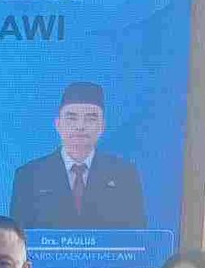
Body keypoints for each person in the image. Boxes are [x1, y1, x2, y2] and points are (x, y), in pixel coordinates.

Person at [9, 81, 145, 230]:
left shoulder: (124, 175)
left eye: (90, 118)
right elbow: (16, 238)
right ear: (58, 124)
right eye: (71, 118)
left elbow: (137, 236)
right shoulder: (29, 176)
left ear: (102, 126)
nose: (80, 126)